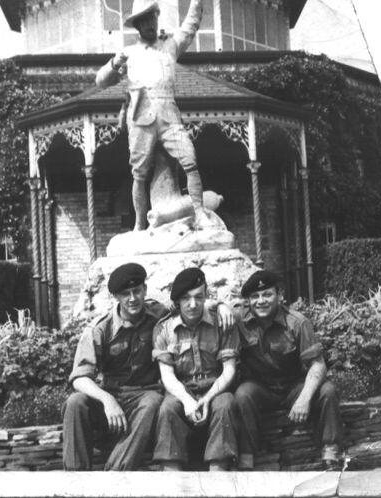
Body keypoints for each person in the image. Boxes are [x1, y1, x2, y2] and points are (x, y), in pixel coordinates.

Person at [63, 262, 234, 470]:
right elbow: (80, 378)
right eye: (126, 293)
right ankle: (74, 477)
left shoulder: (158, 313)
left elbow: (190, 302)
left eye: (137, 291)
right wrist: (107, 400)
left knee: (152, 402)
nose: (133, 298)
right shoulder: (100, 329)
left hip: (144, 394)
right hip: (110, 393)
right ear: (115, 297)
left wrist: (221, 306)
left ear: (145, 290)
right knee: (75, 402)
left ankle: (114, 477)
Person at [95, 0, 212, 231]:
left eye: (152, 18)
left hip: (169, 115)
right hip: (141, 119)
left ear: (158, 17)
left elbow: (191, 24)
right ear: (137, 25)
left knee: (190, 159)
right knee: (139, 174)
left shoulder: (170, 46)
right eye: (144, 20)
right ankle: (139, 223)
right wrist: (114, 63)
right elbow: (100, 81)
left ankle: (199, 213)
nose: (149, 24)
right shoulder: (129, 53)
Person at [234, 270, 344, 471]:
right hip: (261, 387)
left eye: (267, 294)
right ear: (248, 301)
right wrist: (221, 306)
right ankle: (246, 459)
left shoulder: (298, 322)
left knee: (327, 391)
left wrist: (304, 399)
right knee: (242, 394)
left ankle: (331, 453)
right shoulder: (240, 321)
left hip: (294, 385)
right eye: (255, 296)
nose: (261, 301)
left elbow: (318, 364)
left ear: (280, 295)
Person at [152, 268, 240, 471]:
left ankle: (218, 471)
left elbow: (229, 370)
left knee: (225, 404)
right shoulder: (163, 329)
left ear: (206, 296)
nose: (193, 304)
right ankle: (172, 471)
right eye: (186, 298)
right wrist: (188, 401)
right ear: (177, 302)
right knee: (167, 409)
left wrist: (207, 398)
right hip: (181, 388)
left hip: (215, 386)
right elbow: (167, 375)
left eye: (199, 297)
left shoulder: (222, 321)